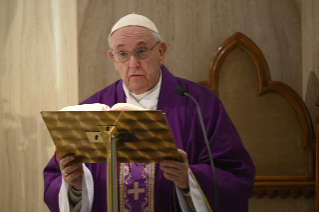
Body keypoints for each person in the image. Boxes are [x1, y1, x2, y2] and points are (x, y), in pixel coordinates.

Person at [44, 13, 255, 212]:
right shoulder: (90, 110)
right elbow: (55, 177)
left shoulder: (199, 105)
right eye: (123, 54)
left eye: (142, 51)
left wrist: (188, 179)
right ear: (113, 59)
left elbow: (234, 175)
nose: (133, 63)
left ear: (161, 52)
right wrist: (75, 186)